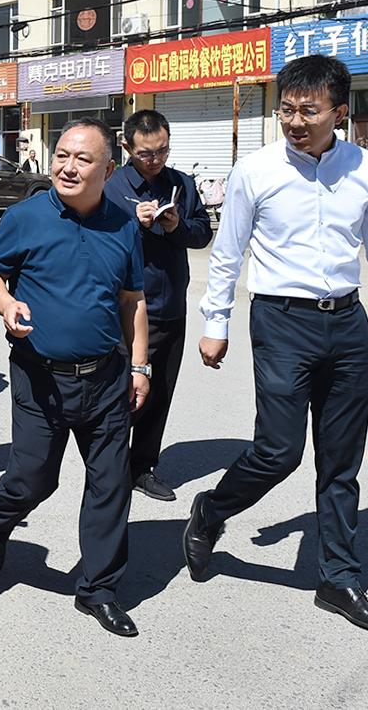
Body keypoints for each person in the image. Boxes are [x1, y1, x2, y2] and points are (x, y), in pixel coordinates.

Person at [184, 54, 368, 637]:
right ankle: (211, 510)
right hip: (280, 322)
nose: (295, 121)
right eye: (287, 110)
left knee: (341, 462)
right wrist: (215, 323)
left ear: (339, 113)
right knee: (279, 451)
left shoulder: (365, 169)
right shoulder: (255, 170)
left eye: (309, 111)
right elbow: (228, 252)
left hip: (346, 324)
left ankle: (338, 578)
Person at [0, 117, 150, 638]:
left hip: (107, 378)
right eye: (62, 156)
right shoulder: (24, 217)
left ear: (107, 170)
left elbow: (132, 301)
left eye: (82, 159)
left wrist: (140, 366)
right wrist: (6, 304)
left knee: (110, 484)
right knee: (33, 479)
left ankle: (98, 589)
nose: (68, 167)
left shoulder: (124, 225)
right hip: (41, 378)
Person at [103, 110, 212, 502]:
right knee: (122, 392)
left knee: (161, 391)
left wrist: (176, 225)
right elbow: (94, 236)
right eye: (146, 153)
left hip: (171, 304)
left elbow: (202, 234)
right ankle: (109, 470)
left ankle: (142, 467)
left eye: (163, 150)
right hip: (127, 308)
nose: (155, 159)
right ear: (127, 147)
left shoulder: (181, 183)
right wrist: (133, 222)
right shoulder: (111, 186)